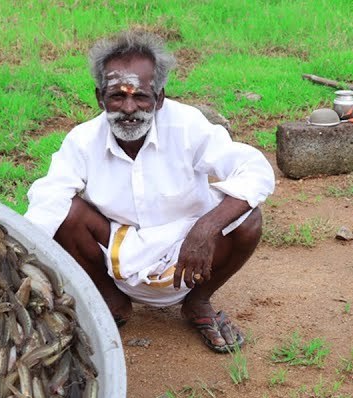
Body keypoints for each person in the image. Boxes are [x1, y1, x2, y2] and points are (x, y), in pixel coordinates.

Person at [24, 30, 275, 352]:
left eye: (141, 96)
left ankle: (198, 303)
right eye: (117, 96)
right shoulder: (83, 139)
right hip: (117, 244)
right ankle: (111, 299)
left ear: (159, 98)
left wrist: (206, 228)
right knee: (65, 213)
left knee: (248, 219)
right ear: (99, 98)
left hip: (189, 247)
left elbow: (254, 169)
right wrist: (16, 252)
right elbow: (49, 196)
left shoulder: (187, 125)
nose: (129, 108)